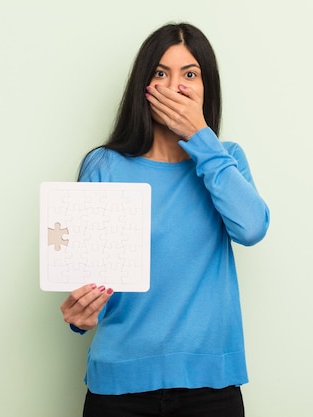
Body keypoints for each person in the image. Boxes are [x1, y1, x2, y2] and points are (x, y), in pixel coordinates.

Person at [60, 22, 269, 417]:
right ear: (144, 86)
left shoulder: (226, 159)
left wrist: (201, 139)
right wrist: (81, 315)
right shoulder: (105, 165)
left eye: (190, 74)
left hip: (211, 387)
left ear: (207, 88)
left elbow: (252, 228)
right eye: (161, 73)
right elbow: (88, 279)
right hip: (119, 386)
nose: (175, 87)